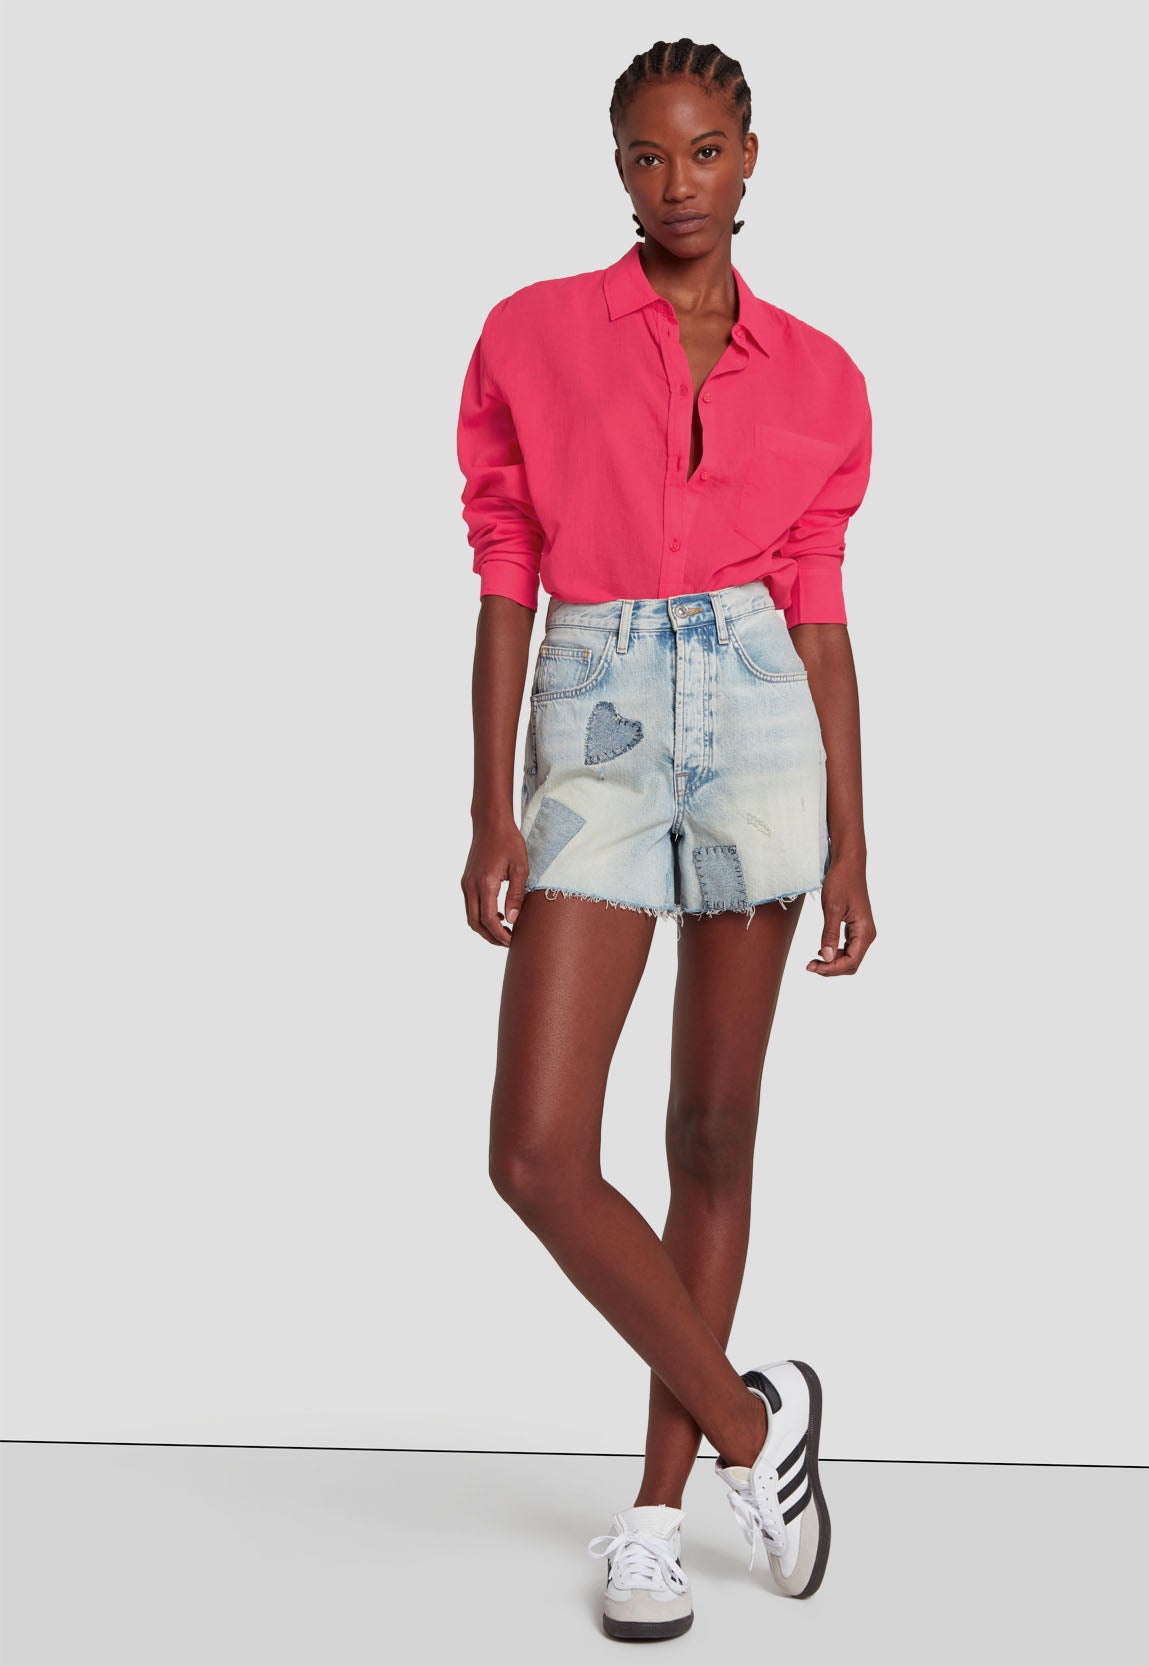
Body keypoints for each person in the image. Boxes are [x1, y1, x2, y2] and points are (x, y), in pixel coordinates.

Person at [456, 36, 876, 1644]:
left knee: (711, 1131)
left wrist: (852, 838)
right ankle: (755, 1425)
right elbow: (506, 565)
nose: (675, 182)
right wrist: (489, 799)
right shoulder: (532, 332)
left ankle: (654, 1515)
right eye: (646, 154)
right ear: (615, 164)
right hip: (597, 716)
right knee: (536, 1151)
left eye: (703, 151)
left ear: (749, 157)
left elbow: (819, 612)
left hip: (761, 720)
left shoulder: (821, 374)